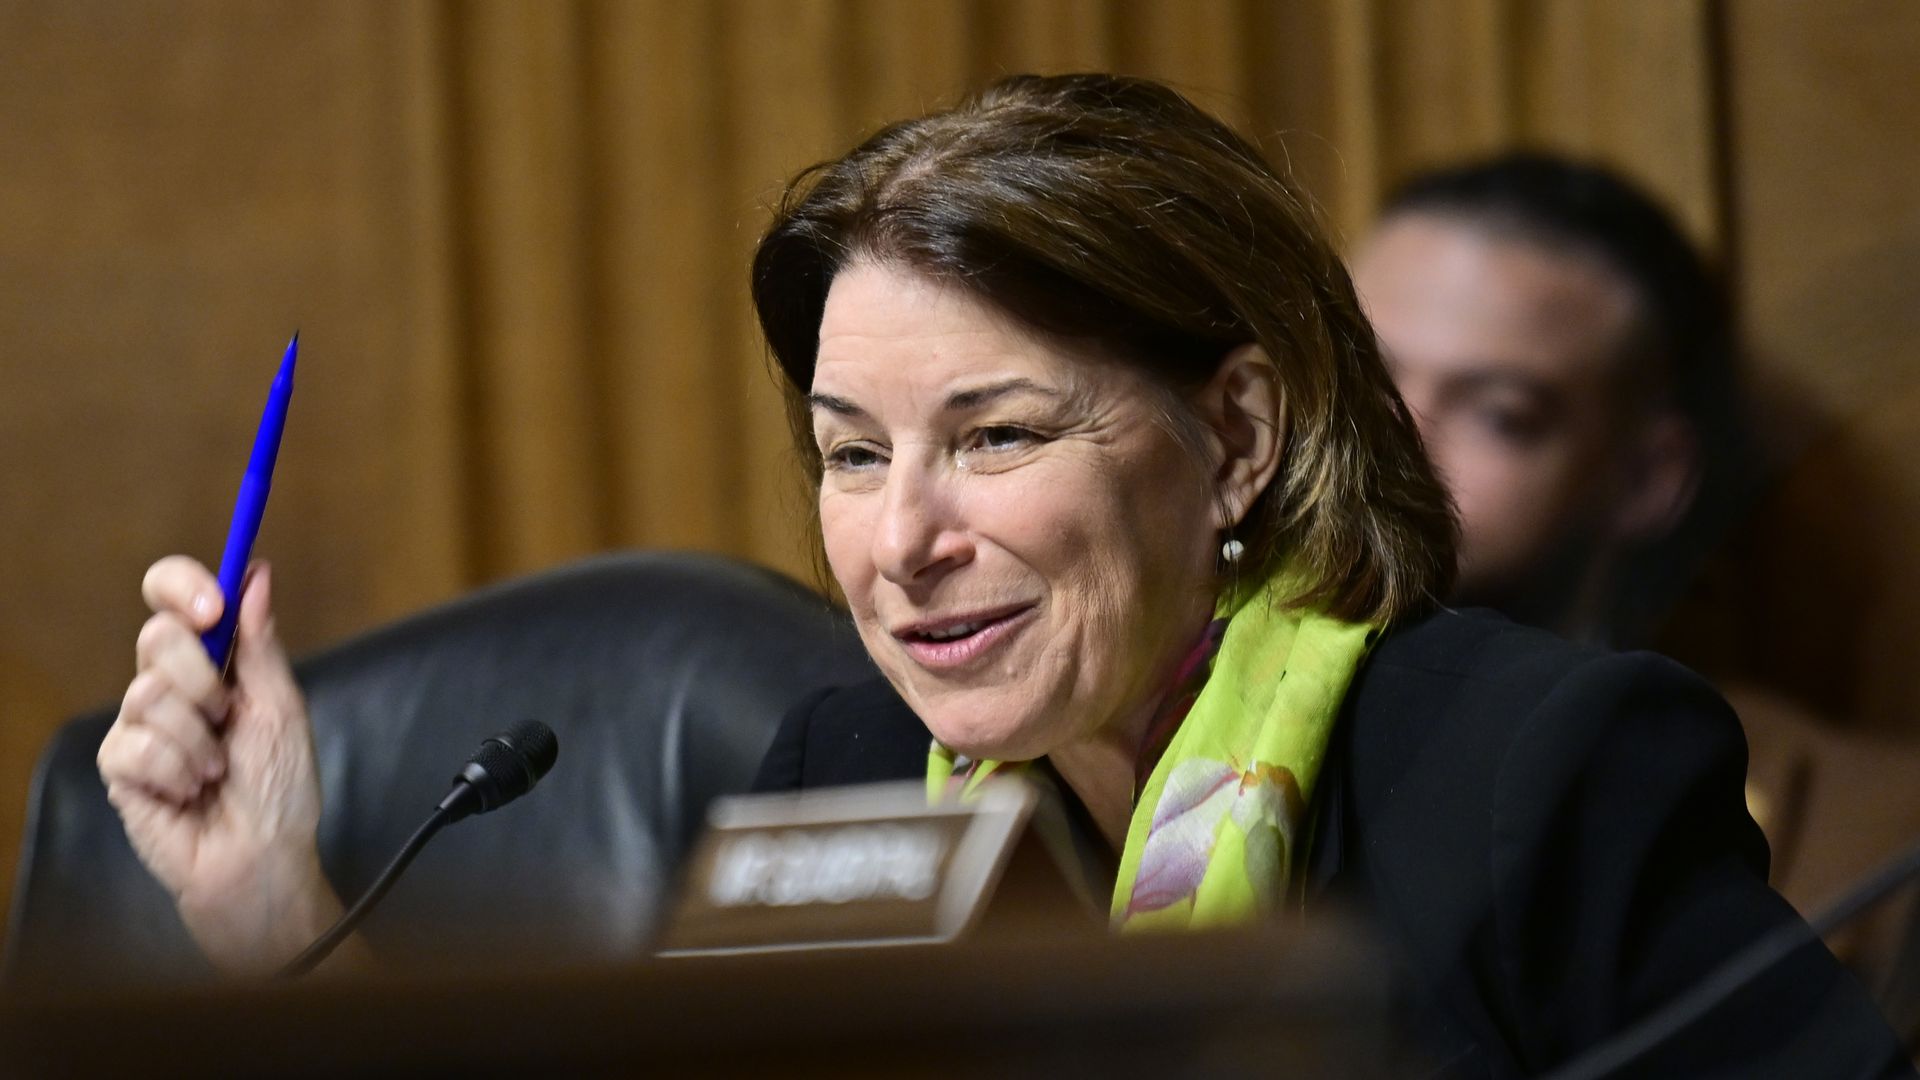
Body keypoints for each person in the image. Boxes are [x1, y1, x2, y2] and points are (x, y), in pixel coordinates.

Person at [98, 75, 1905, 1076]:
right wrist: (276, 923)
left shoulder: (1538, 768)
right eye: (852, 452)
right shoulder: (845, 782)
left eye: (999, 436)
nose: (901, 543)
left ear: (1244, 437)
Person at [1349, 154, 1750, 645]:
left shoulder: (1690, 723)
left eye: (1501, 416)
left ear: (1646, 477)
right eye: (1355, 376)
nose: (1386, 441)